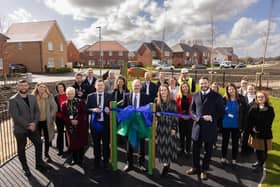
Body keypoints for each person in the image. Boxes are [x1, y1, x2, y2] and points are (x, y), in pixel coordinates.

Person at [186, 77, 225, 180]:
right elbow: (192, 110)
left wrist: (212, 117)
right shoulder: (195, 96)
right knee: (195, 150)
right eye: (201, 84)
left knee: (208, 151)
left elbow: (221, 111)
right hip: (197, 127)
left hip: (210, 128)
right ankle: (195, 167)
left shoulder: (216, 96)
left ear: (209, 83)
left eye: (205, 83)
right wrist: (194, 116)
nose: (203, 85)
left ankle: (204, 170)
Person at [8, 80, 49, 177]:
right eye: (21, 85)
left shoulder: (32, 97)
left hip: (33, 128)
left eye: (25, 85)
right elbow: (15, 116)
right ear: (17, 87)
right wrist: (28, 125)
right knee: (21, 149)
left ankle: (39, 163)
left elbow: (37, 112)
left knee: (39, 143)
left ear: (28, 86)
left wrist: (34, 123)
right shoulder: (13, 99)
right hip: (20, 130)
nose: (23, 87)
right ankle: (25, 168)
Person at [123, 79, 149, 172]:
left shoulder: (145, 97)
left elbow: (147, 110)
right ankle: (129, 164)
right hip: (130, 124)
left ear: (141, 86)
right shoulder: (126, 96)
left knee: (141, 145)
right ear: (132, 86)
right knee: (129, 145)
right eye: (135, 85)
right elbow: (124, 109)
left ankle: (141, 163)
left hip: (140, 124)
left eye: (138, 85)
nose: (136, 87)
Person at [247, 91, 275, 173]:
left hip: (265, 134)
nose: (260, 98)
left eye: (262, 97)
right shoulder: (253, 108)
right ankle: (259, 162)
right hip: (255, 134)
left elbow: (268, 122)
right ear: (256, 98)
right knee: (257, 150)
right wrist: (252, 128)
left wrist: (258, 128)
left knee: (264, 151)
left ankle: (260, 165)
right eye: (258, 97)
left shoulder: (270, 109)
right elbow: (249, 120)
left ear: (265, 98)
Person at [86, 79, 111, 169]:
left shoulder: (109, 96)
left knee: (105, 144)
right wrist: (92, 110)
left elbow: (114, 109)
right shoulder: (90, 96)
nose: (100, 87)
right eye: (98, 85)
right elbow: (86, 109)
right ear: (95, 86)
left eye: (102, 85)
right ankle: (96, 161)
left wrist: (109, 110)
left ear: (104, 87)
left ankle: (106, 162)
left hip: (105, 124)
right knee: (96, 144)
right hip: (95, 124)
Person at [221, 83, 247, 167]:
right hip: (225, 124)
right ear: (227, 90)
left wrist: (243, 126)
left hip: (236, 125)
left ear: (235, 89)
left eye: (232, 89)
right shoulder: (224, 99)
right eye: (229, 89)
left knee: (235, 143)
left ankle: (234, 159)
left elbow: (245, 113)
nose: (231, 91)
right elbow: (220, 110)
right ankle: (223, 157)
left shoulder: (241, 99)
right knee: (225, 141)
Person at [155, 84, 179, 176]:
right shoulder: (157, 102)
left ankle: (166, 165)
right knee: (162, 146)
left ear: (168, 92)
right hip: (161, 127)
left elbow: (175, 117)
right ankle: (165, 163)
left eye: (164, 90)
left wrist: (174, 128)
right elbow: (154, 115)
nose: (163, 92)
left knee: (169, 147)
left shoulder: (173, 102)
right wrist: (156, 115)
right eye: (161, 90)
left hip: (169, 127)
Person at [61, 87, 88, 166]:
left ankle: (81, 159)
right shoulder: (64, 104)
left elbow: (83, 113)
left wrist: (77, 120)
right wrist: (70, 121)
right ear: (66, 94)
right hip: (70, 127)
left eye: (72, 93)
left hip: (80, 126)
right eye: (68, 94)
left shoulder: (80, 102)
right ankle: (75, 159)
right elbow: (64, 116)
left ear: (74, 94)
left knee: (81, 143)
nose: (70, 95)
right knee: (73, 144)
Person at [32, 82, 57, 162]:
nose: (42, 88)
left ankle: (46, 154)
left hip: (46, 121)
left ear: (46, 88)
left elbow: (54, 108)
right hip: (37, 122)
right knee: (38, 140)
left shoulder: (49, 96)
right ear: (37, 88)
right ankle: (39, 156)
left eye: (43, 87)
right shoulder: (32, 97)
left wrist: (51, 116)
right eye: (40, 87)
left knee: (47, 138)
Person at [175, 82, 193, 157]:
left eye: (186, 87)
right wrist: (181, 116)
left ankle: (188, 150)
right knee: (181, 135)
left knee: (188, 136)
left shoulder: (192, 97)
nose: (185, 88)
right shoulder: (178, 97)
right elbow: (176, 108)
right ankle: (182, 149)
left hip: (189, 119)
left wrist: (190, 116)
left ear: (188, 88)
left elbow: (194, 108)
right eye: (183, 87)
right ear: (181, 88)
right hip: (181, 119)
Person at [241, 83, 256, 154]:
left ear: (254, 90)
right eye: (249, 89)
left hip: (253, 122)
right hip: (245, 121)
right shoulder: (243, 98)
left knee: (252, 137)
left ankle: (250, 150)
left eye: (252, 89)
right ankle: (243, 150)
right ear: (247, 90)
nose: (250, 90)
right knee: (245, 136)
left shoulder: (257, 99)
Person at [54, 82, 67, 156]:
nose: (60, 89)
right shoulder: (55, 97)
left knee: (69, 132)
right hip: (59, 117)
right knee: (60, 133)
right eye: (58, 88)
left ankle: (70, 147)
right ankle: (60, 149)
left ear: (64, 87)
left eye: (61, 87)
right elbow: (54, 108)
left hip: (67, 117)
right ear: (57, 89)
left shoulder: (68, 95)